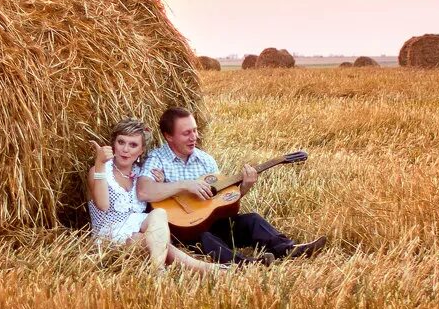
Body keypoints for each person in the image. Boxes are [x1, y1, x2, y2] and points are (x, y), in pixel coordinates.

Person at [136, 107, 327, 265]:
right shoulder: (157, 159)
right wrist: (185, 185)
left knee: (252, 220)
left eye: (194, 130)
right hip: (182, 231)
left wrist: (244, 188)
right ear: (168, 136)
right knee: (205, 237)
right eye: (186, 133)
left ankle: (289, 250)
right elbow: (144, 191)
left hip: (210, 221)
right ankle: (245, 264)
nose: (194, 136)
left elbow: (219, 204)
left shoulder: (205, 161)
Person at [87, 118, 222, 273]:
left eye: (133, 145)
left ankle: (157, 270)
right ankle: (208, 269)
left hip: (137, 230)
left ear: (141, 150)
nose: (125, 149)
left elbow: (158, 202)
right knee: (151, 241)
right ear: (113, 145)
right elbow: (103, 205)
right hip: (108, 236)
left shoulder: (141, 173)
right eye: (121, 142)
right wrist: (99, 163)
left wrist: (162, 182)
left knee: (159, 215)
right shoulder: (100, 171)